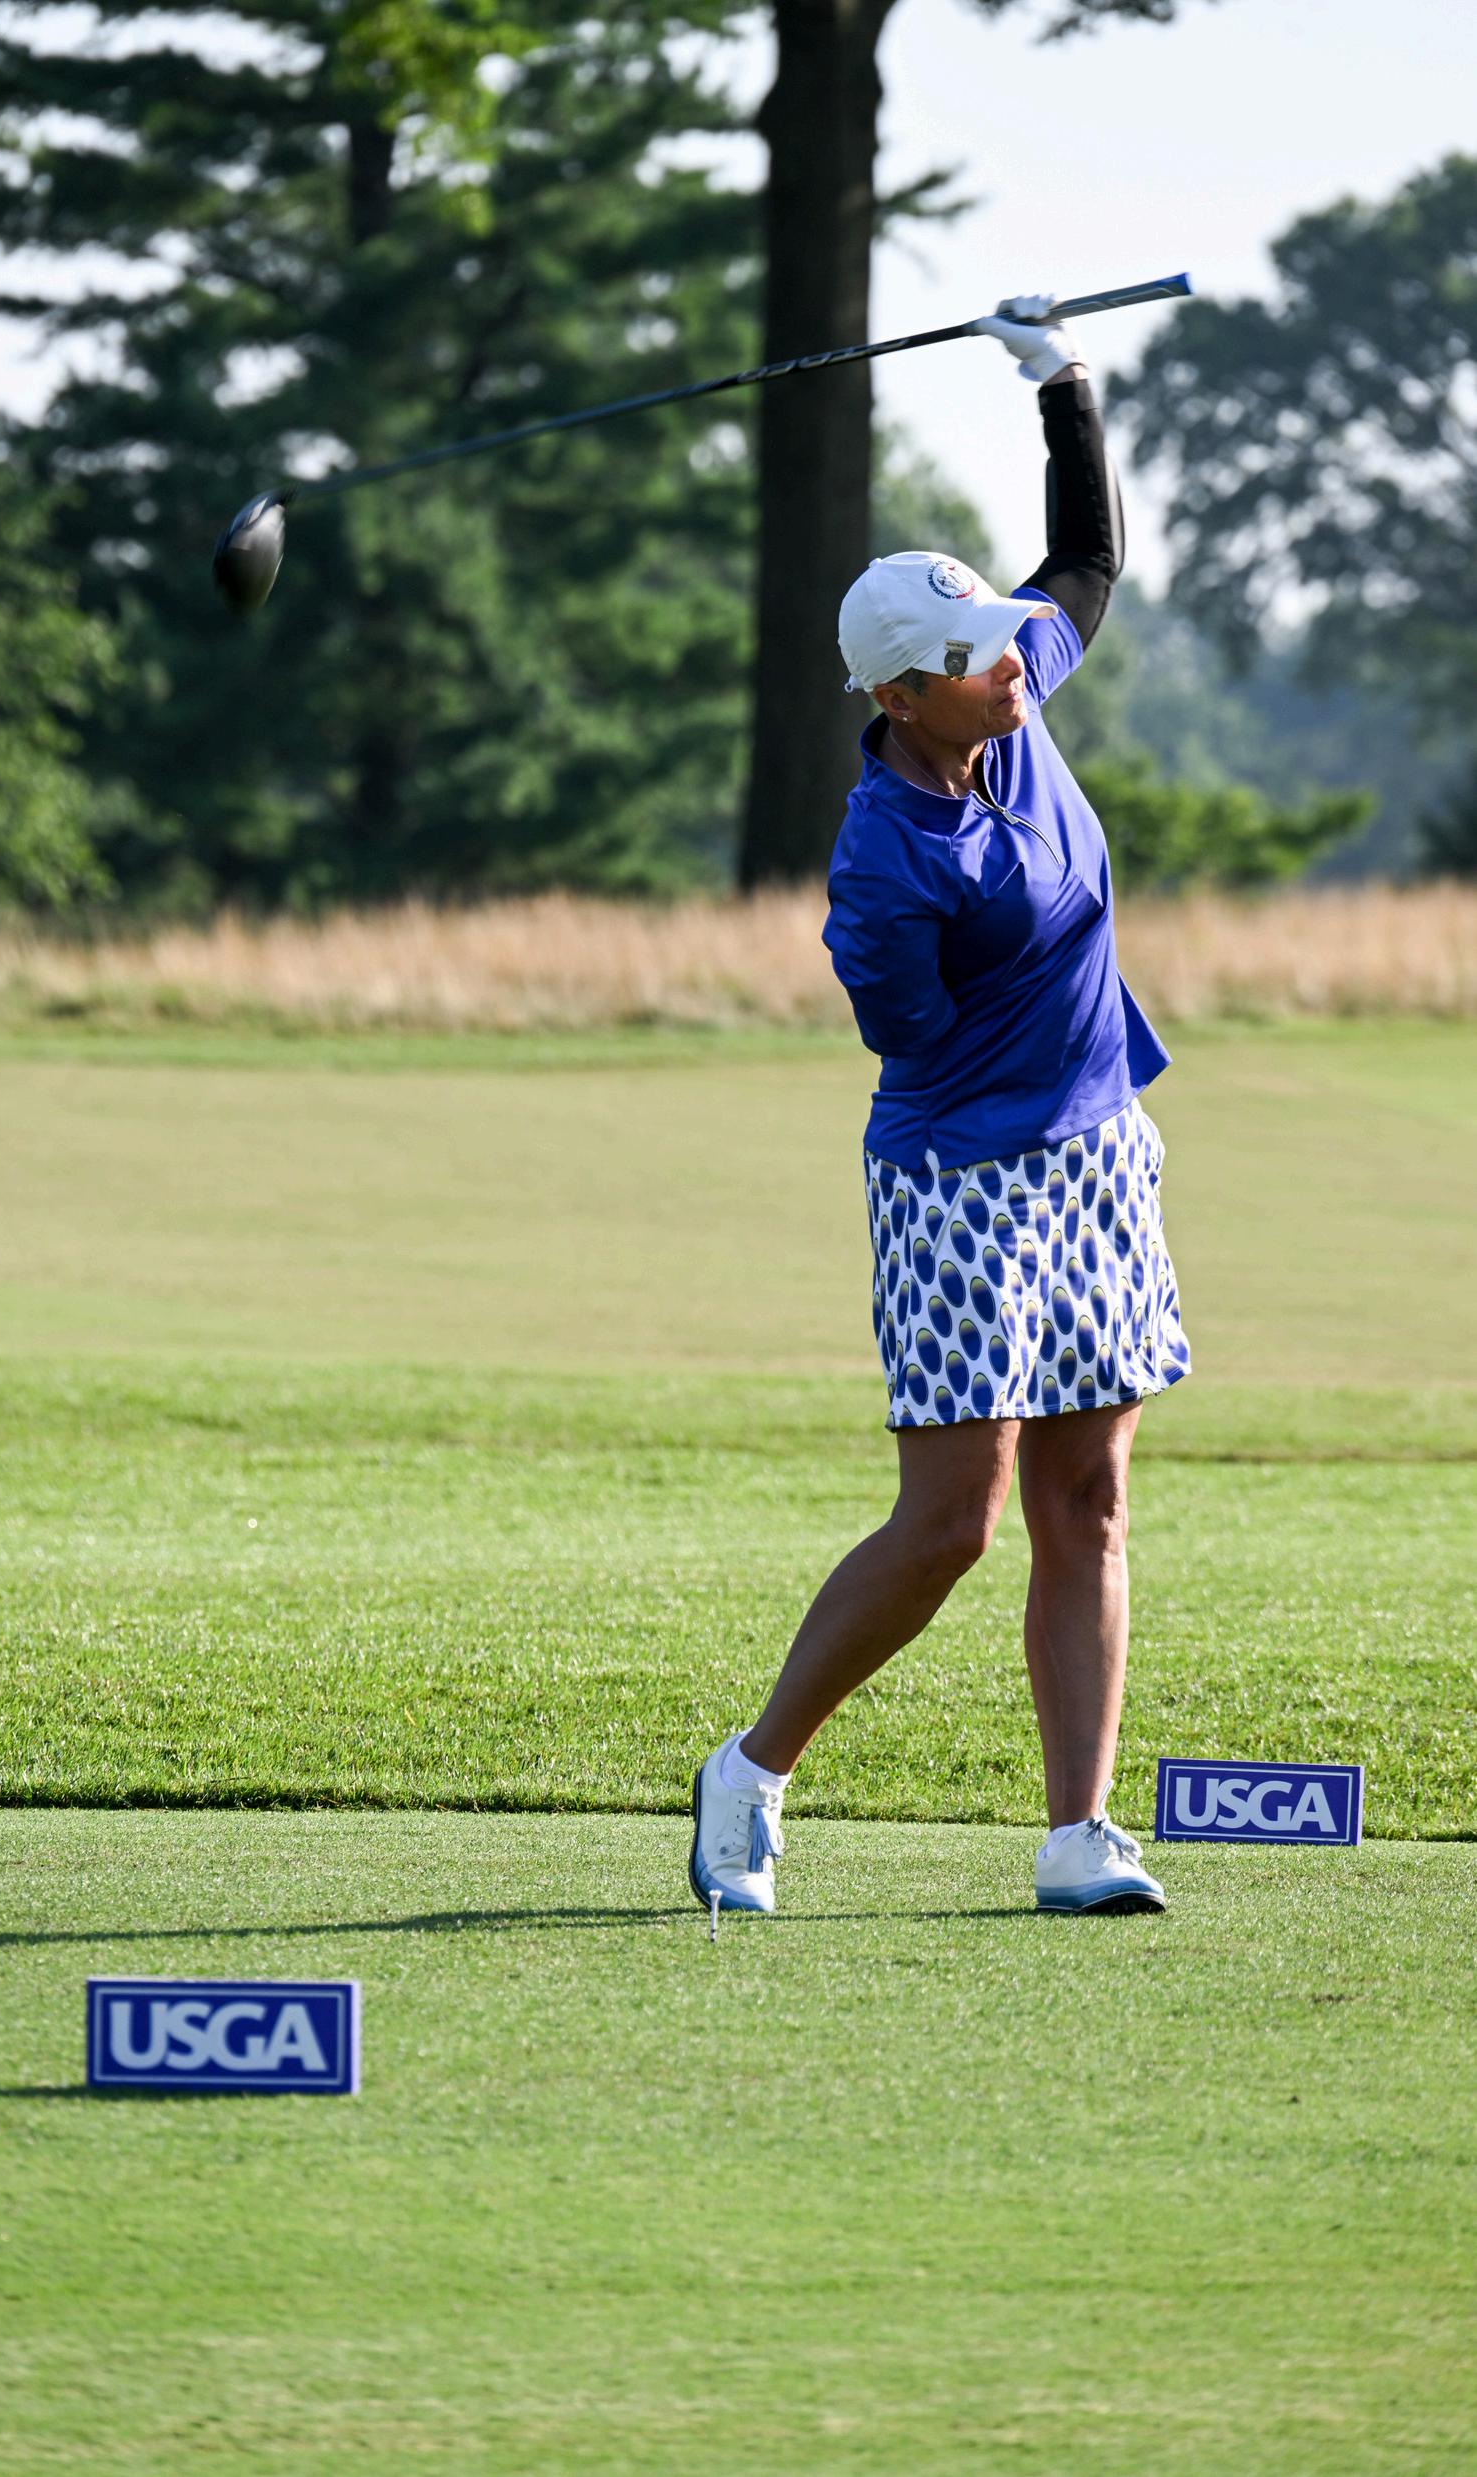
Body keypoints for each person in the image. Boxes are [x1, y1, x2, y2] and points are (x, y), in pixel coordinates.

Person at [690, 294, 1190, 1919]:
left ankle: (1078, 1832)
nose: (1008, 664)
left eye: (996, 639)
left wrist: (1060, 382)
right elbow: (901, 1034)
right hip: (965, 1183)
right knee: (952, 1525)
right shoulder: (886, 862)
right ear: (901, 696)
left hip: (1099, 1153)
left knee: (1089, 1497)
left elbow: (1087, 564)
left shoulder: (1012, 695)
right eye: (971, 661)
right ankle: (751, 1770)